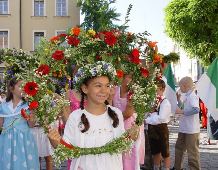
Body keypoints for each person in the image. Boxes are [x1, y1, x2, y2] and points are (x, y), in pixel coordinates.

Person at [48, 61, 139, 170]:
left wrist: (131, 137)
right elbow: (67, 151)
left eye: (107, 85)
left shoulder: (116, 114)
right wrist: (56, 142)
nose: (104, 90)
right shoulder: (75, 117)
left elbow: (122, 146)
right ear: (85, 88)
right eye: (98, 85)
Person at [0, 78, 39, 170]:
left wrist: (32, 111)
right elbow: (0, 125)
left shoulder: (27, 105)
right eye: (20, 86)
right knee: (7, 163)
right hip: (6, 140)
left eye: (24, 86)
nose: (23, 88)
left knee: (24, 163)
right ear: (11, 88)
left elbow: (31, 125)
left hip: (24, 140)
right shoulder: (3, 106)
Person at [113, 74, 145, 170]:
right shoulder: (115, 90)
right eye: (129, 77)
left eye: (132, 78)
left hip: (130, 126)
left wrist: (112, 119)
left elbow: (128, 113)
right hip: (116, 126)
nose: (131, 80)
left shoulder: (135, 92)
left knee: (129, 155)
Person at [171, 76, 200, 170]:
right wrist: (179, 100)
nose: (179, 89)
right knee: (179, 148)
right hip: (184, 128)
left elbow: (196, 110)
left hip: (192, 130)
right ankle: (177, 167)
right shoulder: (187, 95)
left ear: (184, 86)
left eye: (180, 87)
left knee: (192, 152)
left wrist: (182, 112)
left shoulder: (193, 96)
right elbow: (183, 107)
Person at [145, 79, 171, 170]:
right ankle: (156, 167)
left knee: (165, 152)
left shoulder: (165, 102)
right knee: (155, 151)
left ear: (163, 89)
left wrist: (148, 119)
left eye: (157, 89)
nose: (155, 92)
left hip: (161, 129)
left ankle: (166, 168)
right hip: (152, 129)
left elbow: (161, 118)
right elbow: (147, 113)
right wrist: (150, 115)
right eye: (153, 90)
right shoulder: (152, 101)